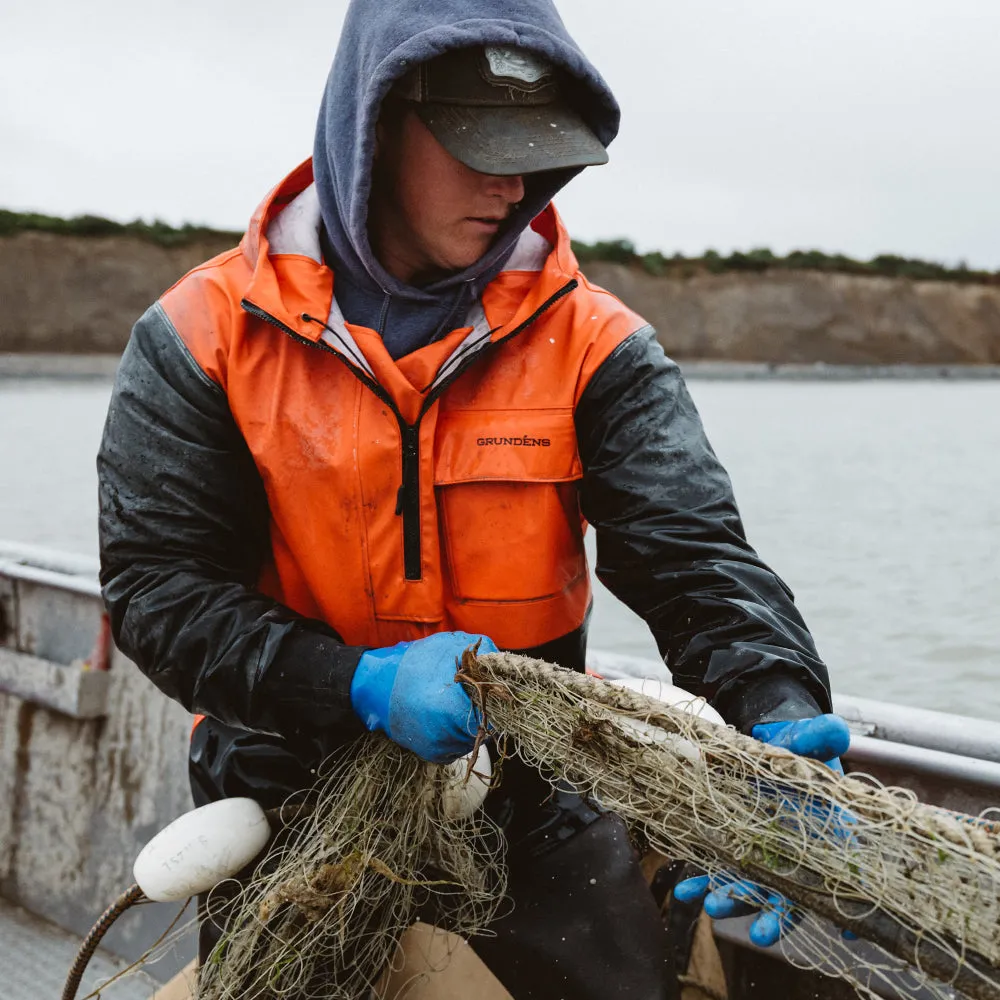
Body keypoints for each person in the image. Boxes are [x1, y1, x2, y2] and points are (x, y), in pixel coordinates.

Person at [97, 0, 849, 996]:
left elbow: (695, 559)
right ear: (373, 124)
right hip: (286, 787)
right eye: (476, 145)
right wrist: (353, 682)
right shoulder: (201, 338)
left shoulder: (596, 345)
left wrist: (776, 701)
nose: (511, 183)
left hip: (531, 800)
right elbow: (158, 592)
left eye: (534, 151)